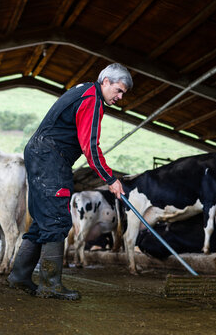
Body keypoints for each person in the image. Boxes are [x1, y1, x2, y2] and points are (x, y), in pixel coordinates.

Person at [7, 63, 133, 300]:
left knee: (43, 221)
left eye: (123, 93)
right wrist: (110, 179)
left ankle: (19, 276)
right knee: (56, 219)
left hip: (42, 154)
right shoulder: (92, 100)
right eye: (118, 90)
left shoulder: (84, 91)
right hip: (51, 157)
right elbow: (90, 147)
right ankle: (50, 284)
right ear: (105, 81)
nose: (119, 97)